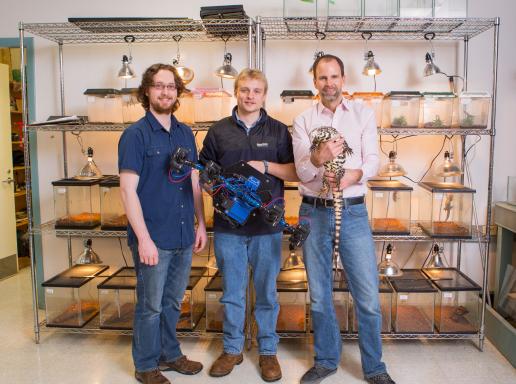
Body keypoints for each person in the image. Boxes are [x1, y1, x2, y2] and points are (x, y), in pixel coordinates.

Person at [292, 54, 396, 384]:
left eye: (334, 77)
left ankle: (374, 368)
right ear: (315, 82)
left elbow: (373, 160)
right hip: (313, 211)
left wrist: (353, 176)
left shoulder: (364, 114)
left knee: (366, 295)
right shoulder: (303, 120)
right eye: (322, 78)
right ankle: (325, 360)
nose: (329, 83)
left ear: (344, 79)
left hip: (351, 211)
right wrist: (316, 157)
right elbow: (301, 172)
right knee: (320, 295)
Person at [199, 68, 298, 382]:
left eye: (256, 90)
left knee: (267, 292)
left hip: (268, 228)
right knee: (232, 292)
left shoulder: (280, 131)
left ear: (264, 94)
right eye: (244, 90)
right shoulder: (218, 131)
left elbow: (294, 173)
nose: (250, 96)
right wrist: (212, 186)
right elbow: (202, 173)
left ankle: (268, 351)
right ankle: (232, 349)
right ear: (236, 92)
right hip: (229, 226)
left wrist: (265, 165)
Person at [118, 63, 208, 384]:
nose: (165, 91)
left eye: (171, 86)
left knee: (172, 301)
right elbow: (128, 190)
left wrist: (201, 224)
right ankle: (145, 365)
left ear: (177, 92)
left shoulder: (185, 133)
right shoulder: (135, 135)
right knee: (150, 305)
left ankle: (169, 354)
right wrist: (143, 239)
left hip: (183, 234)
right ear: (147, 90)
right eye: (159, 85)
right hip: (153, 236)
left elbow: (194, 181)